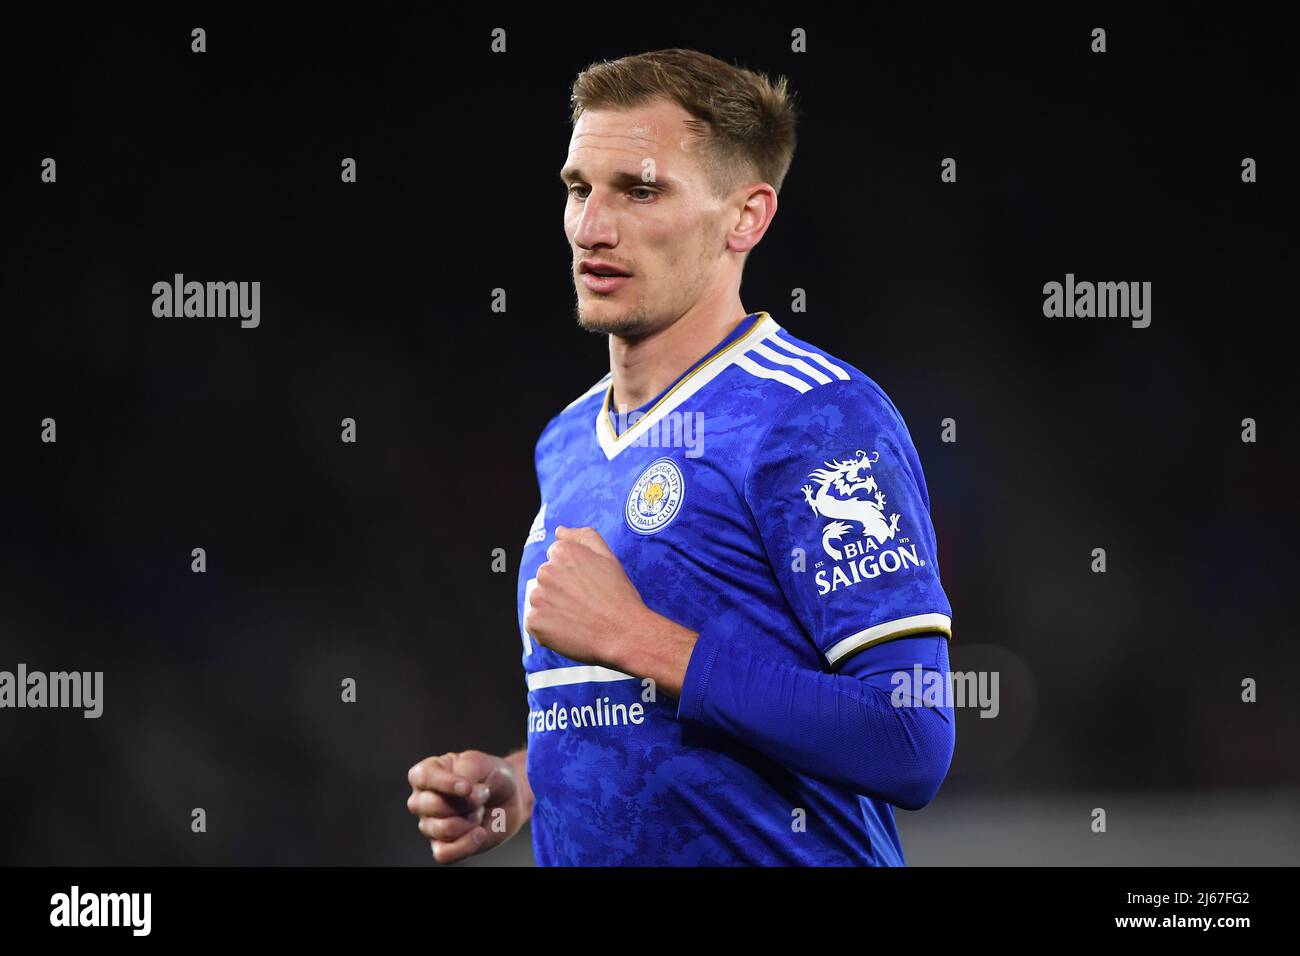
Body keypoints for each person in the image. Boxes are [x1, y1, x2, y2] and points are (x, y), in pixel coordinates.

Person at [407, 48, 955, 865]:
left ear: (746, 217)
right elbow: (638, 718)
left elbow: (910, 738)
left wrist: (636, 636)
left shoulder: (812, 416)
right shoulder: (565, 440)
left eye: (640, 190)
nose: (593, 226)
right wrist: (525, 784)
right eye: (578, 188)